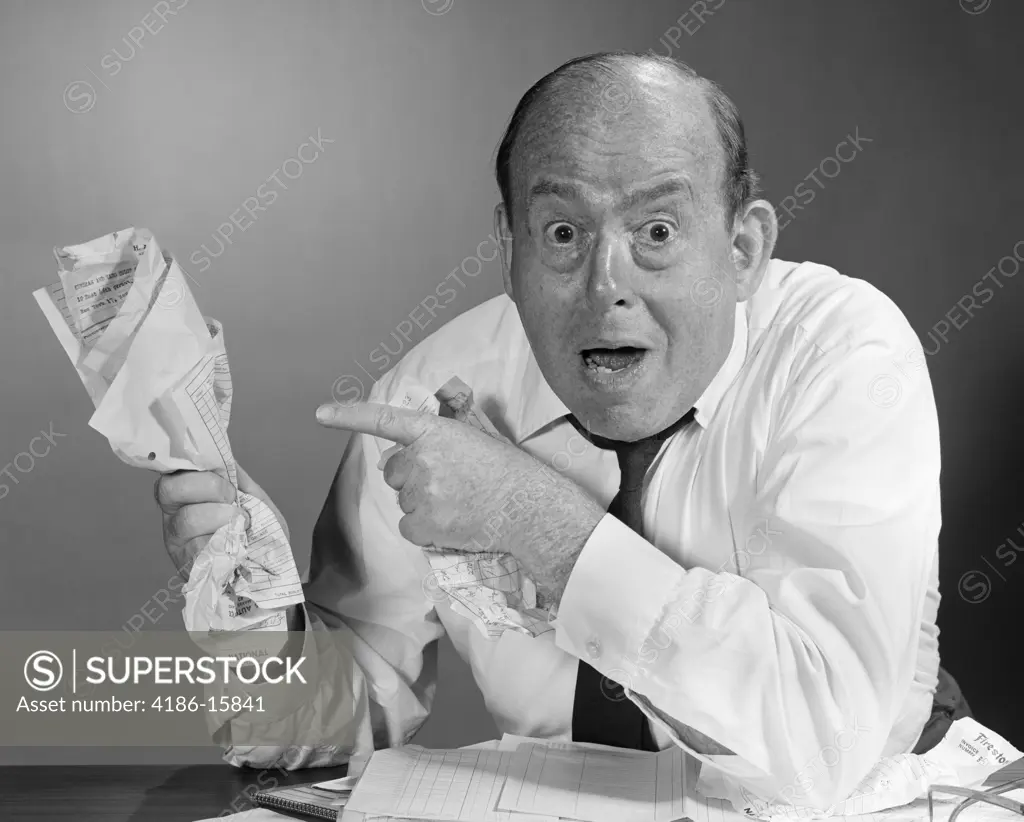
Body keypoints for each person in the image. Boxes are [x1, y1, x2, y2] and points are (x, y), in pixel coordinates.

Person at [154, 52, 970, 808]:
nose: (605, 287)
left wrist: (528, 516)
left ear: (744, 248)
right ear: (508, 248)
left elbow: (824, 748)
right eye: (563, 235)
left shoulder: (844, 352)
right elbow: (358, 701)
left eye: (656, 232)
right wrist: (252, 629)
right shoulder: (429, 395)